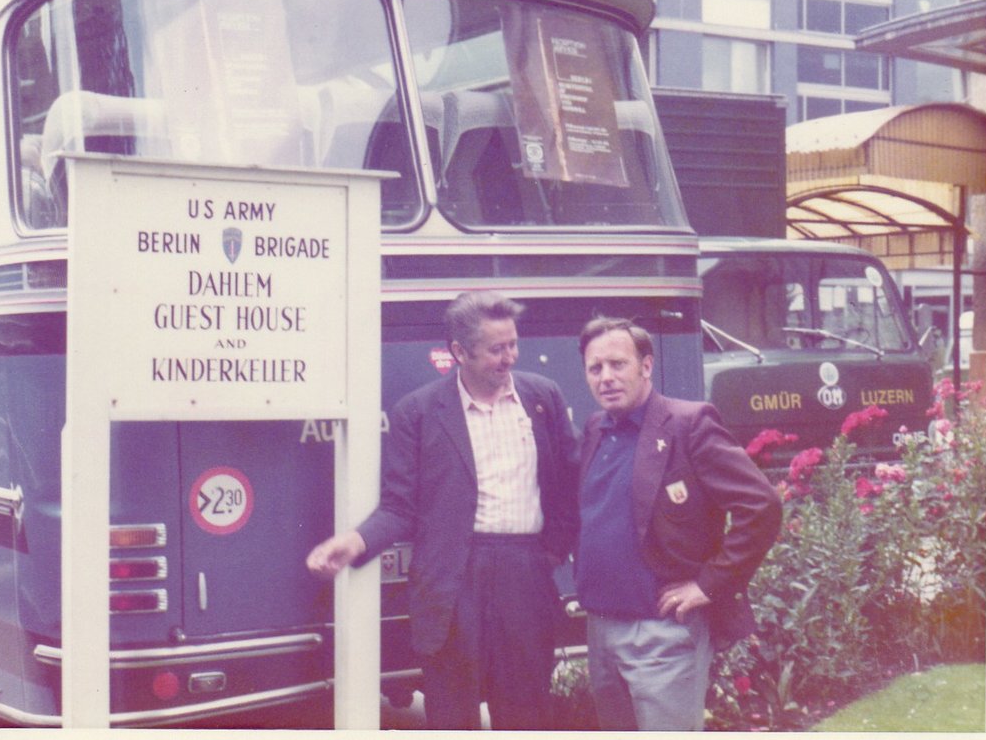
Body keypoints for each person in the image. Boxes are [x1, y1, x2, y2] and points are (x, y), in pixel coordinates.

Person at [306, 291, 578, 730]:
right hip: (452, 580)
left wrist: (552, 550)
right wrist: (354, 542)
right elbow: (399, 506)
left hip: (525, 574)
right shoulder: (418, 411)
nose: (510, 357)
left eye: (513, 344)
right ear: (458, 352)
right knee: (452, 714)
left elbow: (569, 483)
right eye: (496, 349)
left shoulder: (542, 398)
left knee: (527, 710)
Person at [574, 316, 781, 731]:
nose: (607, 378)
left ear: (646, 366)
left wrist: (709, 583)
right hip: (601, 632)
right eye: (596, 368)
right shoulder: (597, 428)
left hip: (662, 635)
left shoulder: (689, 425)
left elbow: (761, 506)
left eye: (618, 364)